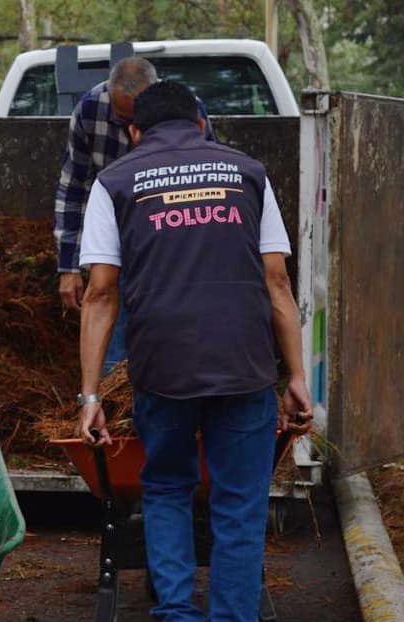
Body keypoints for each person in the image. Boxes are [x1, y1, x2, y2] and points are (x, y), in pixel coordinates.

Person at [76, 80, 312, 621]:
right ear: (201, 124)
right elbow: (277, 282)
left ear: (135, 132)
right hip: (245, 364)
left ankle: (177, 614)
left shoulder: (114, 181)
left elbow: (100, 293)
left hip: (162, 365)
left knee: (166, 489)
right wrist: (295, 375)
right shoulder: (249, 173)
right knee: (239, 503)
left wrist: (90, 394)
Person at [55, 57, 215, 374]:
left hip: (173, 236)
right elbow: (73, 186)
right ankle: (112, 396)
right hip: (115, 236)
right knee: (110, 316)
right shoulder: (90, 109)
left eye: (137, 122)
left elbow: (210, 177)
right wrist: (68, 265)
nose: (131, 132)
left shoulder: (186, 109)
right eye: (121, 119)